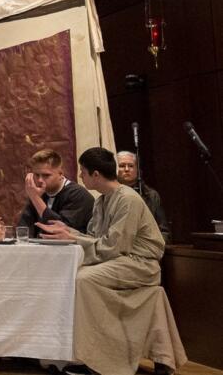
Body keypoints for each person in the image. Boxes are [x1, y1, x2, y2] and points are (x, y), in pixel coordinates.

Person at [37, 148, 185, 375]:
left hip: (139, 263)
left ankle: (96, 359)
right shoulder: (101, 201)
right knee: (68, 275)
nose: (79, 177)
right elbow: (97, 240)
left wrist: (72, 237)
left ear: (96, 175)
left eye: (82, 172)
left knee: (83, 279)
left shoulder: (128, 199)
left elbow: (115, 247)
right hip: (118, 260)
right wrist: (67, 230)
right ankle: (66, 353)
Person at [17, 148, 94, 233]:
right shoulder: (40, 193)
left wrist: (35, 198)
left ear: (60, 174)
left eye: (46, 175)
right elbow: (24, 228)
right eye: (36, 175)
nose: (39, 180)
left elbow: (60, 230)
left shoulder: (78, 195)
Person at [117, 150, 171, 241]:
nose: (126, 169)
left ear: (137, 169)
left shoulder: (151, 195)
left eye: (131, 166)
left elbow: (164, 231)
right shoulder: (108, 193)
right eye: (122, 166)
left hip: (146, 247)